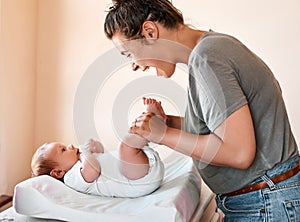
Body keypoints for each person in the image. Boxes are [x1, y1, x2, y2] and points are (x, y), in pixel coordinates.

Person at [104, 0, 300, 220]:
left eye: (128, 53)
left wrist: (163, 135)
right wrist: (168, 123)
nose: (134, 65)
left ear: (149, 31)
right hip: (267, 198)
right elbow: (221, 129)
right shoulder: (213, 47)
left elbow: (239, 152)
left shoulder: (207, 59)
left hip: (266, 200)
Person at [31, 97, 165, 198]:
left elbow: (101, 151)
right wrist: (85, 152)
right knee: (125, 146)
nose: (70, 146)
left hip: (140, 169)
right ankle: (156, 127)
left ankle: (153, 128)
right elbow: (93, 171)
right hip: (137, 181)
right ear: (58, 172)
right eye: (63, 150)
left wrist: (94, 145)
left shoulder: (83, 159)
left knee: (130, 140)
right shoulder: (71, 177)